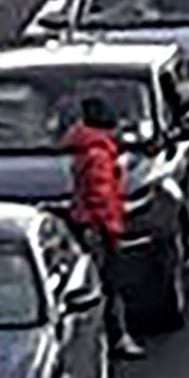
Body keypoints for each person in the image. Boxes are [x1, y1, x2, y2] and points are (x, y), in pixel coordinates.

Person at [62, 95, 145, 361]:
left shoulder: (85, 149)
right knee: (110, 285)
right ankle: (117, 338)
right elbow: (102, 197)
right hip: (98, 230)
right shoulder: (99, 154)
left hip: (87, 226)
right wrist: (113, 230)